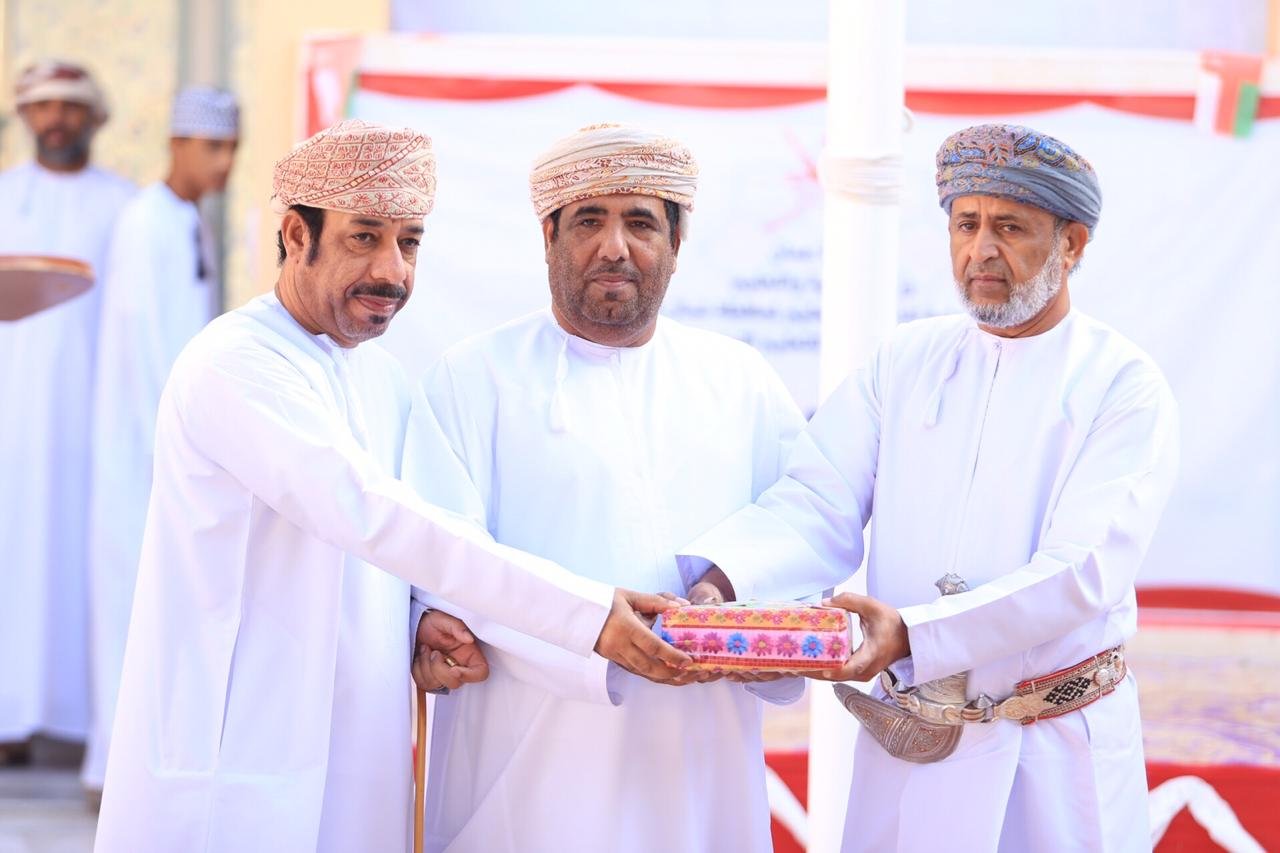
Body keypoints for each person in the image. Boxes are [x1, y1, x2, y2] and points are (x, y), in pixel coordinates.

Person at [93, 119, 689, 853]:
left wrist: (419, 623)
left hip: (356, 755)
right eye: (364, 238)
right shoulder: (236, 363)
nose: (392, 271)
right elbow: (371, 515)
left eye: (409, 243)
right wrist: (586, 614)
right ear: (296, 235)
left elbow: (388, 557)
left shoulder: (382, 378)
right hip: (235, 745)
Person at [680, 124, 1180, 851]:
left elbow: (1085, 570)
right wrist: (722, 584)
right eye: (966, 224)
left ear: (1071, 244)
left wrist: (915, 635)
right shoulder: (905, 360)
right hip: (911, 740)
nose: (981, 249)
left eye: (1010, 227)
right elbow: (817, 501)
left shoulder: (1122, 385)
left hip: (1050, 751)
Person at [404, 123, 806, 853]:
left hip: (698, 766)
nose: (614, 247)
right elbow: (442, 568)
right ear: (549, 236)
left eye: (641, 223)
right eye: (589, 221)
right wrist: (584, 628)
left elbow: (801, 527)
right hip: (526, 766)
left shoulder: (740, 380)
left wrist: (727, 589)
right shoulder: (471, 379)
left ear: (677, 241)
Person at [82, 86, 241, 795]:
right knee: (130, 601)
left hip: (172, 443)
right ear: (177, 144)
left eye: (232, 148)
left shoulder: (187, 220)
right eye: (213, 147)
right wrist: (173, 447)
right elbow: (144, 342)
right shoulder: (145, 222)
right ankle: (116, 773)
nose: (224, 162)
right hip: (142, 448)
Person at [0, 60, 134, 765]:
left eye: (70, 106)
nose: (57, 119)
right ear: (26, 115)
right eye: (44, 106)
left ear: (93, 116)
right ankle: (9, 718)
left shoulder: (125, 206)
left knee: (87, 556)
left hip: (93, 419)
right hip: (11, 420)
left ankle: (84, 722)